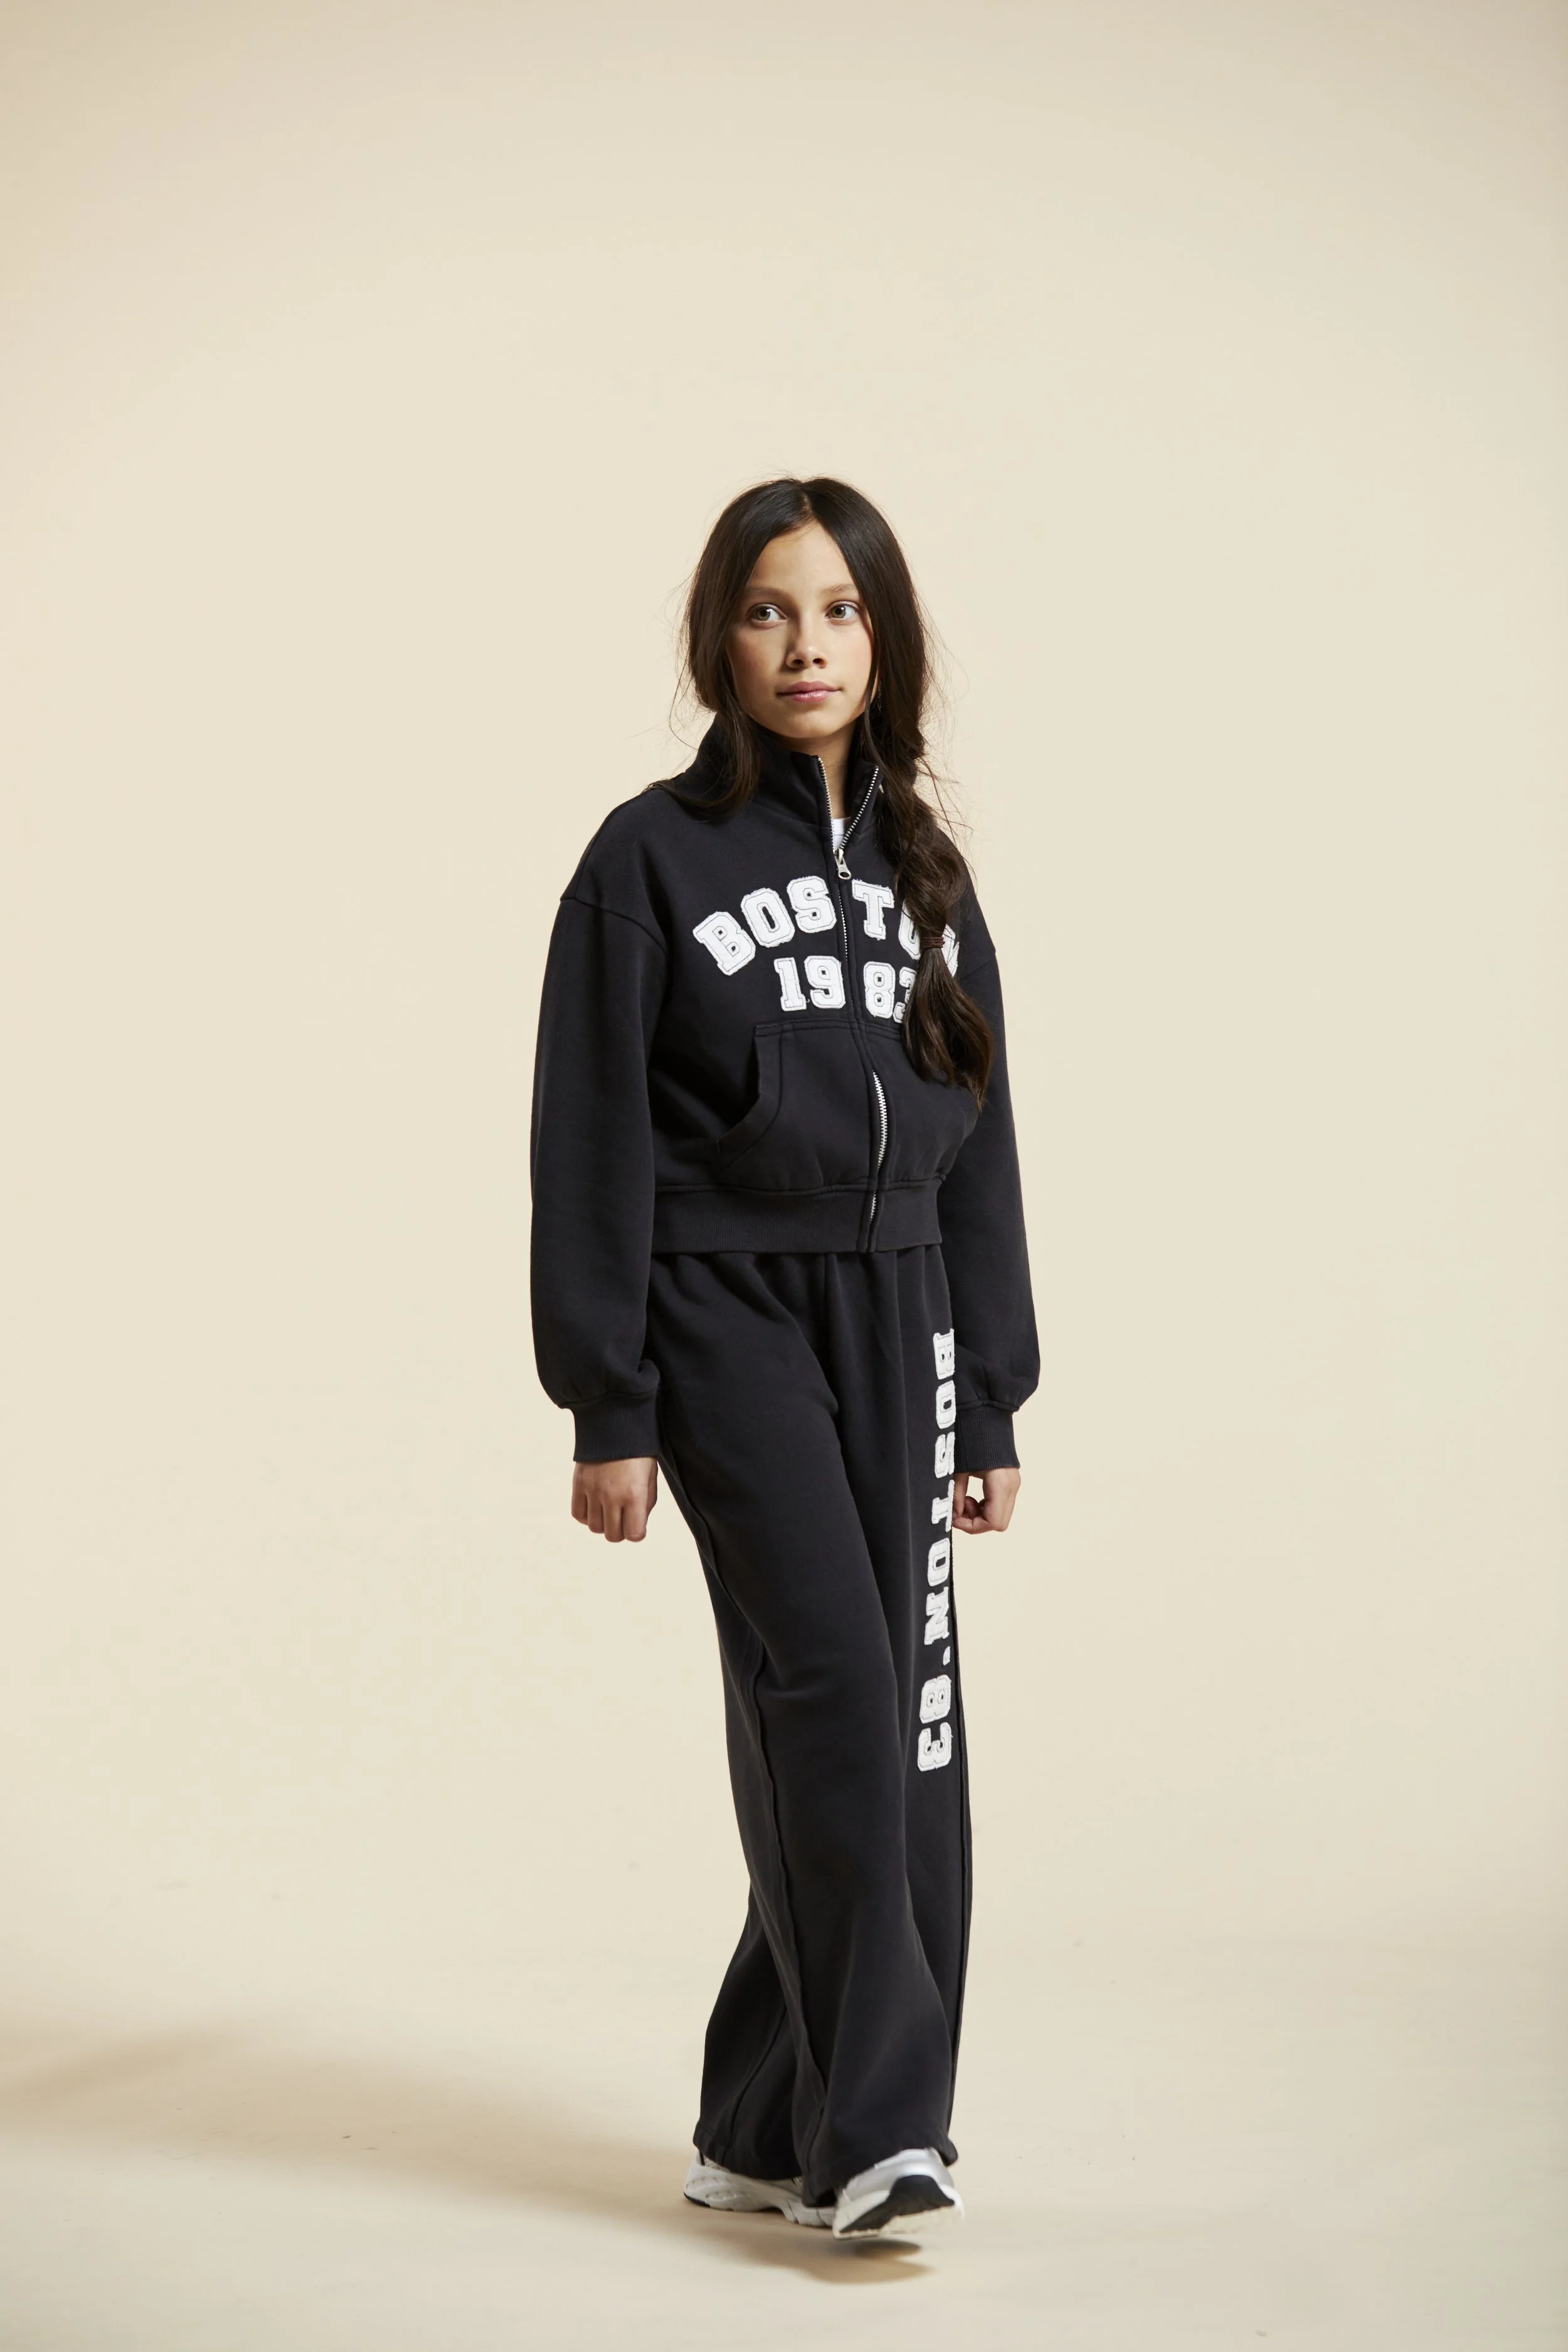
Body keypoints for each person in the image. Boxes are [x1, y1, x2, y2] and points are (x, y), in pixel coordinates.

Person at [529, 477, 1038, 2240]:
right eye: (766, 608)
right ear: (716, 637)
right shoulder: (644, 858)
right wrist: (609, 1394)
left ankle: (757, 2117)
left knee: (892, 1721)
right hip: (723, 1304)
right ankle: (883, 2128)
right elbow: (586, 1137)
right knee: (829, 1676)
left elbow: (982, 1140)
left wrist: (992, 1392)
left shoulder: (929, 872)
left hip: (902, 1311)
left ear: (881, 638)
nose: (803, 643)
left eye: (836, 609)